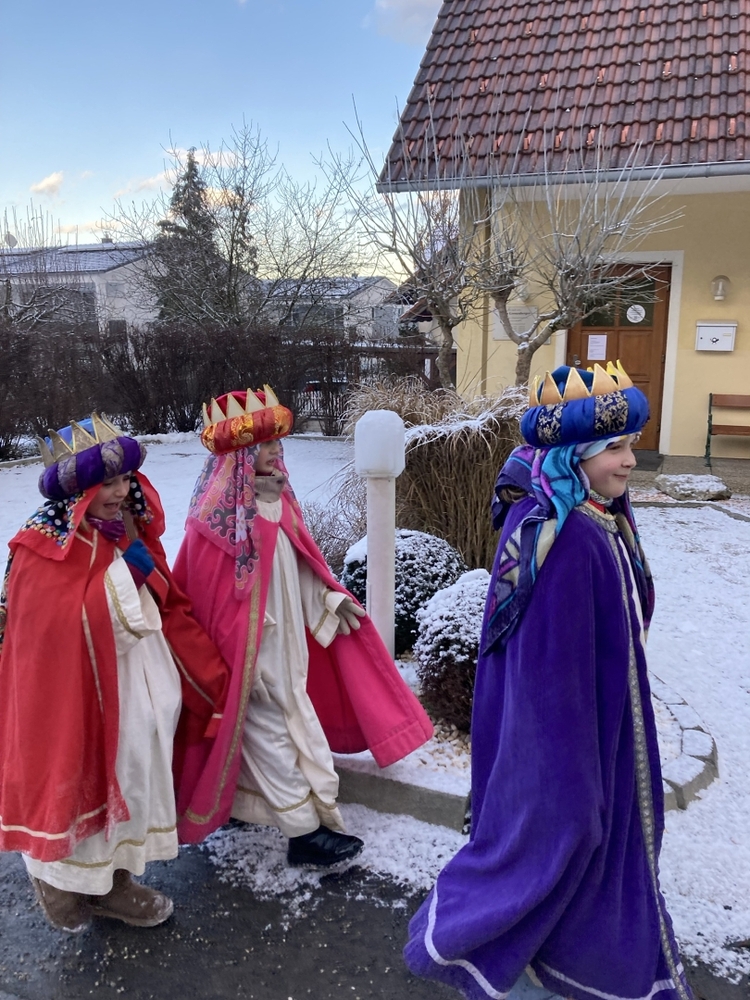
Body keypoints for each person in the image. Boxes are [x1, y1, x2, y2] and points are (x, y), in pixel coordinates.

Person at [404, 363, 694, 1000]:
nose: (630, 461)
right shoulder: (563, 538)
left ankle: (561, 950)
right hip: (576, 740)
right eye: (614, 448)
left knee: (591, 856)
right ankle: (553, 959)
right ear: (571, 456)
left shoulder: (594, 516)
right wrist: (574, 779)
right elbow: (547, 674)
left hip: (608, 717)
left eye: (631, 445)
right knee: (568, 844)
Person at [172, 387, 433, 867]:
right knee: (273, 729)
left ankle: (246, 804)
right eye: (267, 444)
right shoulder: (216, 522)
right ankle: (305, 832)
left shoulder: (278, 501)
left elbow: (300, 566)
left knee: (278, 724)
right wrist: (244, 649)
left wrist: (329, 599)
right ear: (242, 456)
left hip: (287, 644)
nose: (278, 450)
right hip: (248, 653)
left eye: (277, 441)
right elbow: (210, 597)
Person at [0, 414, 228, 933]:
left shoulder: (123, 526)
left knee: (135, 768)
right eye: (106, 484)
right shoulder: (39, 545)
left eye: (125, 479)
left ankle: (115, 882)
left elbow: (158, 594)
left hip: (134, 680)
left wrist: (135, 563)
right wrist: (128, 576)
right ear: (76, 492)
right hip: (78, 695)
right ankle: (58, 877)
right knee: (84, 775)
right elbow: (54, 627)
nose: (121, 492)